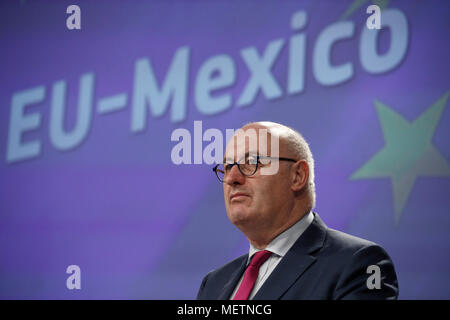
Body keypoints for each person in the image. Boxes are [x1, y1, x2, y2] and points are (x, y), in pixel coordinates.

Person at [196, 121, 398, 300]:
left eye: (252, 163)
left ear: (298, 176)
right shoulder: (213, 283)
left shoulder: (360, 264)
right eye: (228, 167)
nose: (232, 178)